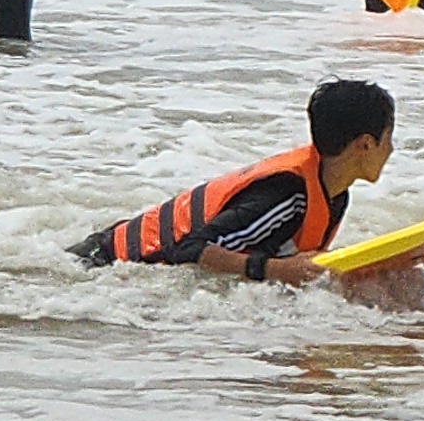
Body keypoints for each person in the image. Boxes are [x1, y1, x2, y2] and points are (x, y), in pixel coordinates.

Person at [72, 80, 396, 284]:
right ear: (365, 144)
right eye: (389, 138)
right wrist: (276, 270)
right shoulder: (288, 195)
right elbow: (188, 247)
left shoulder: (334, 193)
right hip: (97, 265)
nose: (391, 149)